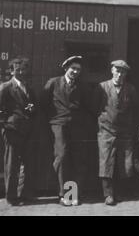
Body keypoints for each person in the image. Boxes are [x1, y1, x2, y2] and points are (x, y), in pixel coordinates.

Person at [41, 56, 90, 206]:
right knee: (61, 157)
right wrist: (53, 119)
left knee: (77, 159)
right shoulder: (53, 83)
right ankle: (63, 194)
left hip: (76, 127)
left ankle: (72, 195)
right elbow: (43, 103)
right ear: (66, 68)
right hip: (58, 125)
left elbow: (86, 106)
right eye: (73, 68)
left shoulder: (81, 86)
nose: (75, 72)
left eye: (78, 69)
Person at [93, 60, 138, 206]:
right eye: (117, 70)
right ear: (112, 71)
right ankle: (108, 195)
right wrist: (103, 122)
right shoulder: (102, 87)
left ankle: (119, 192)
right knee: (106, 162)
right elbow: (95, 107)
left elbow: (134, 108)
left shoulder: (130, 89)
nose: (119, 74)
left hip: (124, 131)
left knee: (123, 162)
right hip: (106, 130)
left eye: (123, 72)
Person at [0, 57, 36, 206]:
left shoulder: (28, 87)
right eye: (17, 69)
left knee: (27, 164)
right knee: (12, 164)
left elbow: (31, 106)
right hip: (12, 130)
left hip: (27, 130)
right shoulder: (5, 87)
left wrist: (32, 108)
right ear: (12, 71)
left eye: (23, 69)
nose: (21, 72)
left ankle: (25, 195)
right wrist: (5, 126)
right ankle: (11, 197)